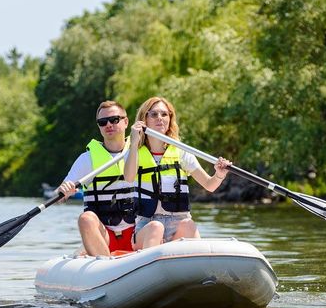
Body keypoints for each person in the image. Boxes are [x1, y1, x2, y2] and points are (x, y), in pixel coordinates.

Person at [123, 96, 231, 250]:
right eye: (153, 114)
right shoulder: (134, 152)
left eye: (164, 114)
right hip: (147, 224)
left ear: (170, 119)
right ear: (144, 119)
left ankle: (198, 270)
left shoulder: (181, 152)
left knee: (188, 224)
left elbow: (209, 185)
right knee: (156, 227)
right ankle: (151, 268)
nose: (159, 118)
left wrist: (220, 174)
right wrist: (134, 143)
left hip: (178, 222)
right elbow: (128, 177)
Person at [57, 101, 135, 256]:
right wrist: (62, 191)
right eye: (102, 122)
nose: (108, 125)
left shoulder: (140, 153)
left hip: (137, 232)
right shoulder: (87, 159)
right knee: (86, 218)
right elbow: (59, 194)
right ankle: (105, 266)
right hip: (104, 235)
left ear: (126, 122)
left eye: (114, 120)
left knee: (156, 225)